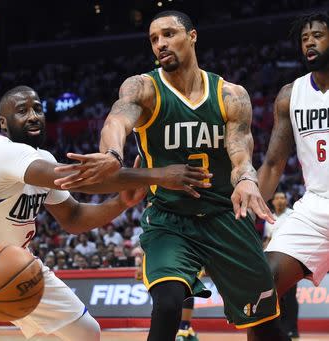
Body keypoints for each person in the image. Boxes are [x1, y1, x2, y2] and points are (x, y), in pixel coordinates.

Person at [54, 11, 289, 341]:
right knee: (167, 305)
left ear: (192, 36)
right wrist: (112, 154)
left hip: (225, 216)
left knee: (265, 324)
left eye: (168, 34)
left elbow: (240, 154)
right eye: (153, 39)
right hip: (170, 219)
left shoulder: (230, 95)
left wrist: (247, 178)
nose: (160, 43)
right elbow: (116, 122)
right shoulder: (144, 88)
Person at [0, 85, 211, 341]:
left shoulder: (42, 160)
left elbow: (73, 218)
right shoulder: (0, 154)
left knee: (86, 331)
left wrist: (120, 203)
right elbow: (82, 179)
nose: (33, 115)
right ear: (4, 123)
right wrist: (159, 175)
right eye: (22, 111)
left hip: (14, 266)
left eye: (37, 108)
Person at [258, 9, 329, 335]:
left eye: (318, 35)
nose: (310, 42)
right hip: (315, 207)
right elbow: (273, 165)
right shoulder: (290, 96)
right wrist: (246, 210)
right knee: (258, 287)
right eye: (304, 38)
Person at [263, 192, 299, 339]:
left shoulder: (292, 215)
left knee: (290, 297)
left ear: (286, 201)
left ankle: (292, 329)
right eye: (277, 198)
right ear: (272, 202)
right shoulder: (269, 218)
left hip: (290, 258)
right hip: (273, 260)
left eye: (283, 198)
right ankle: (281, 329)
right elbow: (267, 239)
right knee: (277, 296)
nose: (280, 200)